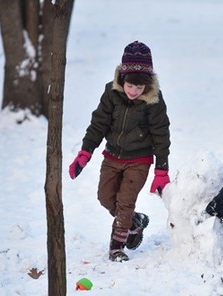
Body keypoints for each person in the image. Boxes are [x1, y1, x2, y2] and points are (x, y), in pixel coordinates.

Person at [68, 41, 171, 262]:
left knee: (125, 201)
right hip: (112, 156)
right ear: (122, 79)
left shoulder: (154, 101)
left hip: (139, 160)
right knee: (105, 198)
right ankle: (135, 221)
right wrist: (85, 153)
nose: (134, 92)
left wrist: (161, 170)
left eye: (140, 87)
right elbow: (98, 124)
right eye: (130, 86)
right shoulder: (111, 93)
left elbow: (161, 135)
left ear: (148, 84)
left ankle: (116, 246)